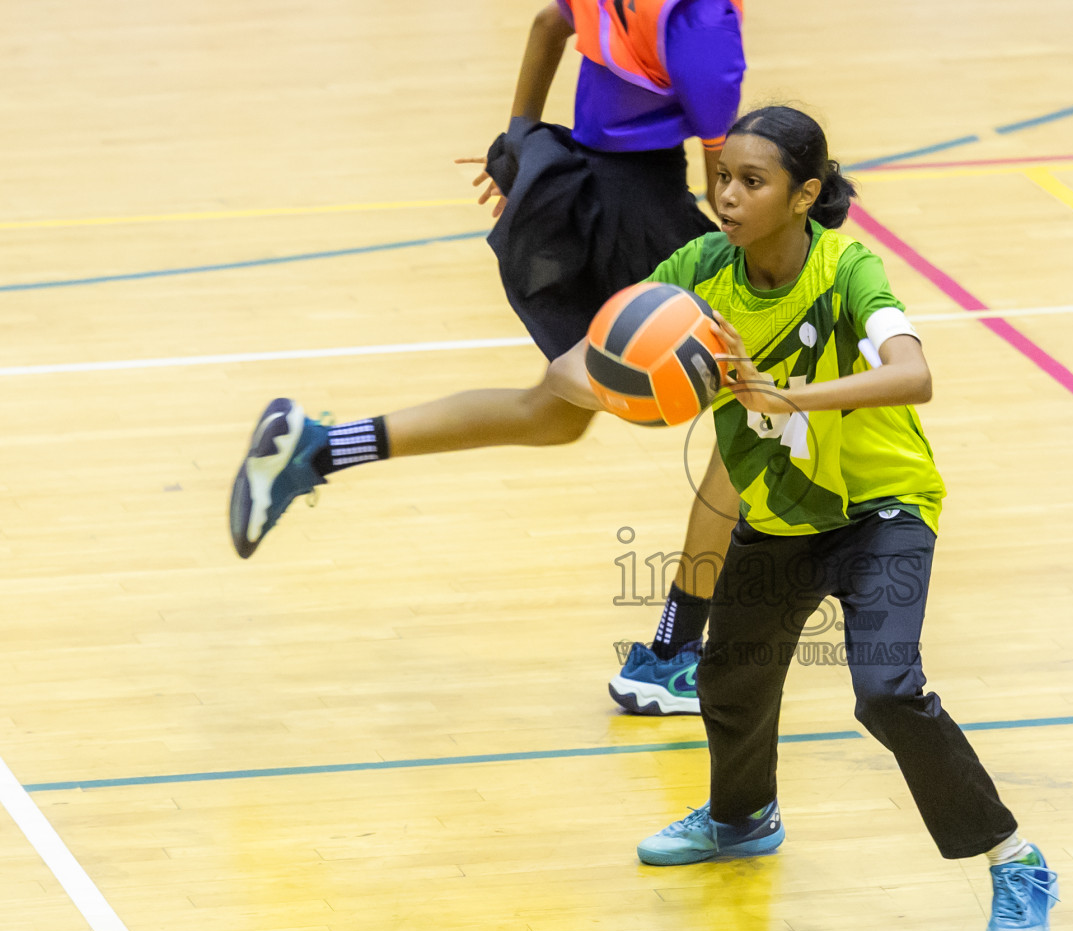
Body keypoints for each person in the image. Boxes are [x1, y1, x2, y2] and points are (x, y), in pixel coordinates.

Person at [546, 105, 1058, 931]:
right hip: (783, 518)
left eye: (752, 182)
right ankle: (742, 820)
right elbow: (591, 361)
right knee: (730, 676)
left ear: (805, 194)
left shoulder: (846, 268)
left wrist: (783, 397)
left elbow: (914, 374)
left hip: (882, 512)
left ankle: (1016, 863)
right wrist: (624, 379)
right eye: (722, 179)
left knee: (886, 690)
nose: (727, 196)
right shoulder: (700, 269)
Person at [228, 0, 747, 716]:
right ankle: (670, 653)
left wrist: (520, 148)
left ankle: (317, 450)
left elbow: (548, 25)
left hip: (574, 185)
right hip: (643, 218)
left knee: (554, 415)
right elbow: (734, 190)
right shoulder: (703, 21)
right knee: (752, 420)